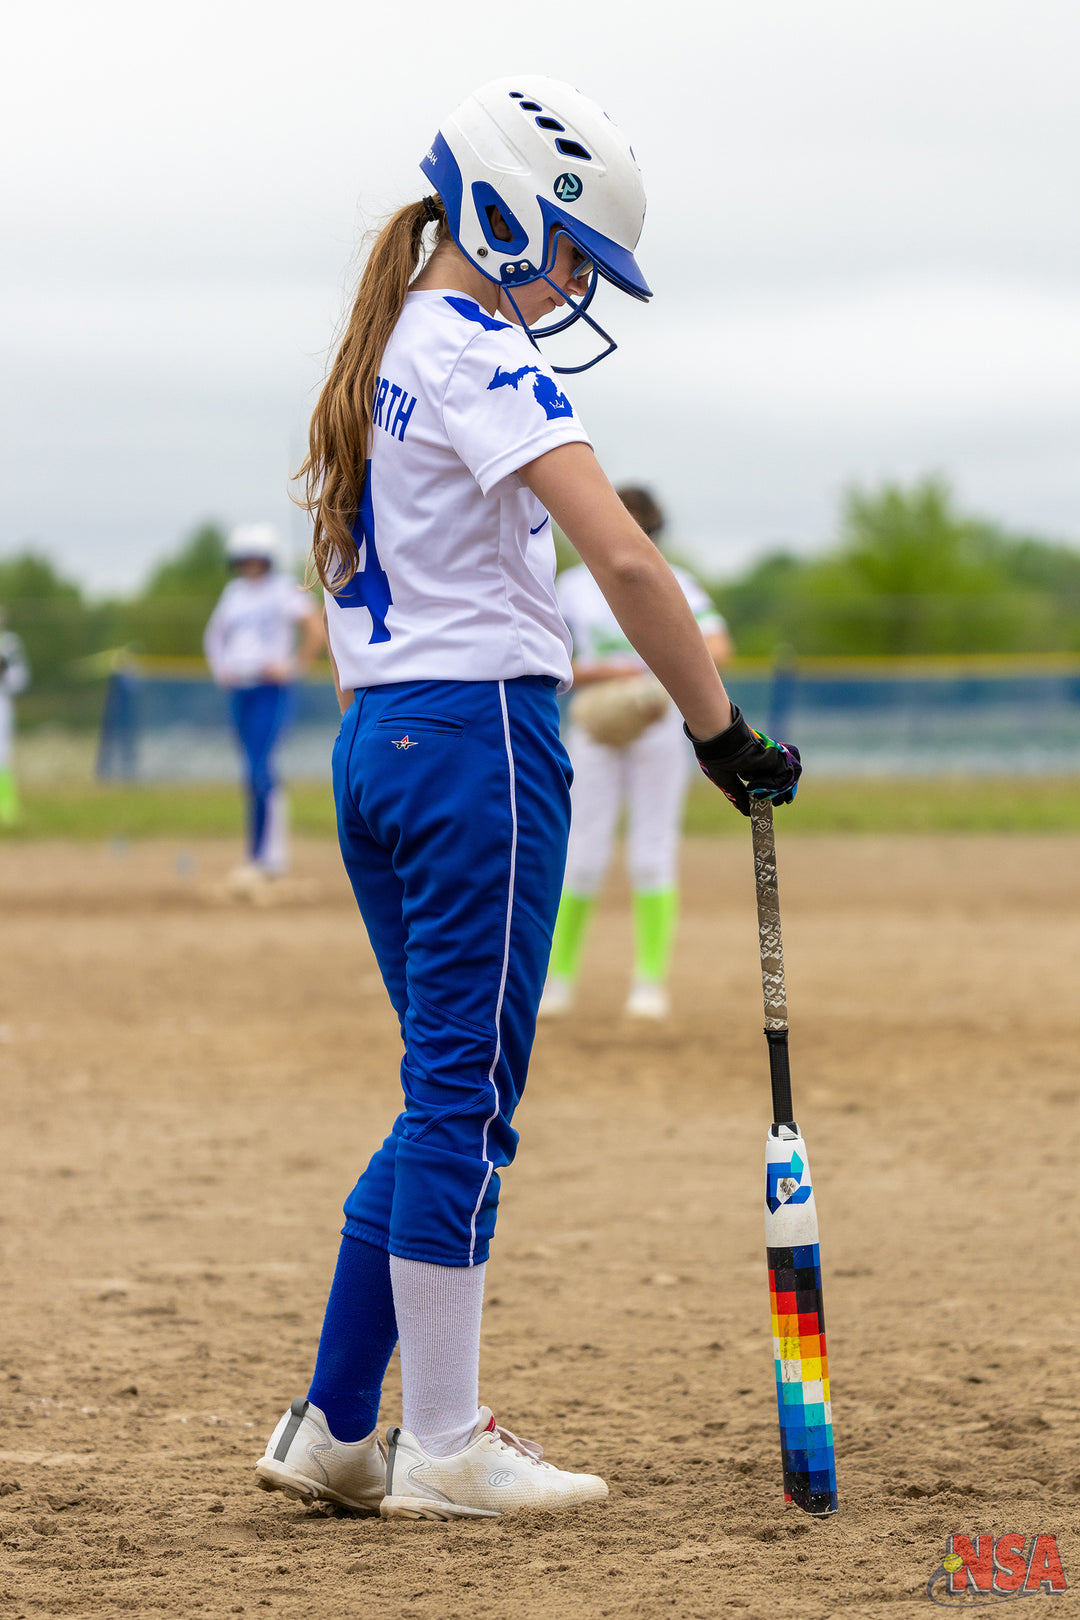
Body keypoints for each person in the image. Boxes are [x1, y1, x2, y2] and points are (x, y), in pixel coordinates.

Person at [253, 74, 800, 1523]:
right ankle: (442, 1445)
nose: (571, 288)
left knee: (440, 1092)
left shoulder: (383, 350)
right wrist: (720, 731)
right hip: (481, 744)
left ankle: (337, 1421)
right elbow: (625, 563)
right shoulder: (476, 353)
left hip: (380, 745)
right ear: (499, 216)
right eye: (567, 254)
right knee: (460, 1106)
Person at [540, 487, 733, 1021]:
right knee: (581, 852)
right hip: (597, 725)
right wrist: (610, 675)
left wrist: (652, 684)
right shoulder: (572, 587)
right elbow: (544, 659)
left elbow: (717, 647)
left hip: (657, 726)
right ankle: (558, 979)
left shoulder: (673, 580)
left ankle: (649, 982)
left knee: (652, 850)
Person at [203, 524, 324, 890]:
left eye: (256, 558)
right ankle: (265, 856)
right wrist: (221, 669)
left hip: (271, 689)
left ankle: (264, 857)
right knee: (254, 771)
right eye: (244, 559)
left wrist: (293, 666)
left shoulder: (282, 591)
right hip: (241, 689)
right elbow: (215, 635)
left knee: (260, 768)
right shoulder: (234, 593)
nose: (250, 565)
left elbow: (316, 628)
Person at [0, 608, 30, 828]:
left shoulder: (10, 644)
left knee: (2, 754)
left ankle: (6, 807)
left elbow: (20, 679)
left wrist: (5, 671)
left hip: (2, 703)